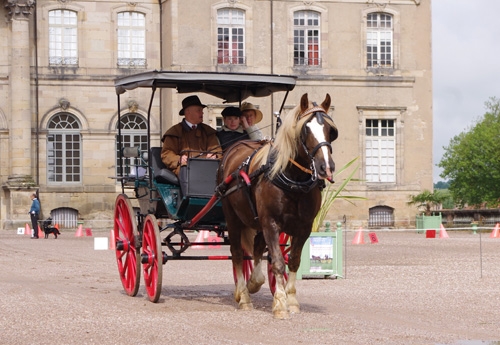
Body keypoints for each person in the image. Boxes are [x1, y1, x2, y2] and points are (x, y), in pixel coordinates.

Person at [161, 95, 220, 176]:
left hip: (206, 168)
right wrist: (178, 159)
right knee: (187, 173)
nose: (202, 113)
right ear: (188, 112)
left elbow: (216, 149)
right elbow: (166, 154)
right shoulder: (174, 132)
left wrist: (214, 154)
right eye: (199, 110)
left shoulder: (208, 131)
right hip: (184, 169)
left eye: (202, 110)